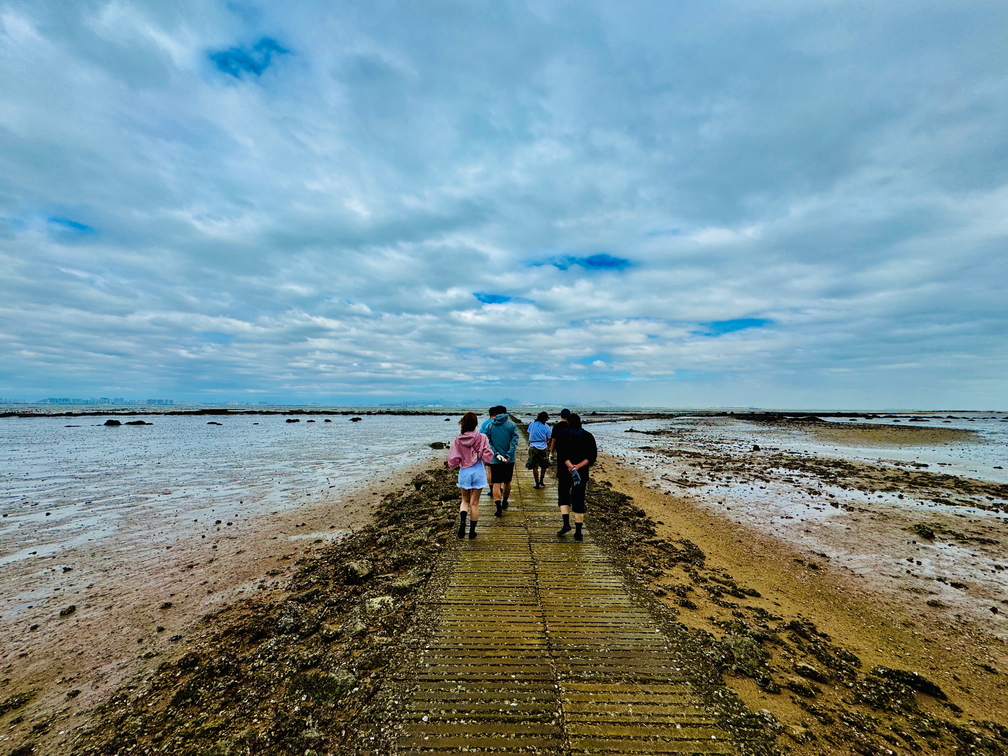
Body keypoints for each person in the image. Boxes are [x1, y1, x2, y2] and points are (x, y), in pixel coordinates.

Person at [447, 412, 495, 539]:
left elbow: (453, 459)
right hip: (478, 471)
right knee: (474, 503)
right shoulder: (482, 437)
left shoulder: (458, 439)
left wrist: (460, 461)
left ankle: (462, 522)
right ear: (475, 424)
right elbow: (488, 455)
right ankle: (472, 531)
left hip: (465, 471)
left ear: (463, 423)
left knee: (465, 500)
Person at [552, 413, 597, 541]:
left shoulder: (562, 434)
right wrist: (577, 467)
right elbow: (591, 456)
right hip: (581, 473)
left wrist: (570, 466)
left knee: (564, 496)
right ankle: (578, 532)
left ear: (568, 422)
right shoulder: (588, 436)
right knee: (579, 498)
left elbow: (561, 453)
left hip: (565, 471)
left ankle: (566, 524)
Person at [485, 405, 519, 517]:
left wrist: (497, 454)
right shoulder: (512, 425)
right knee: (507, 482)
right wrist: (509, 454)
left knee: (496, 483)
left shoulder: (490, 426)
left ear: (495, 413)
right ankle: (505, 501)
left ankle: (498, 508)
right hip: (509, 459)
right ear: (506, 413)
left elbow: (488, 443)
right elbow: (514, 441)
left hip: (495, 459)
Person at [526, 411, 552, 489]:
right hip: (543, 446)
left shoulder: (532, 424)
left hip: (533, 446)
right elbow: (549, 438)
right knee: (544, 465)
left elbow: (528, 433)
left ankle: (537, 483)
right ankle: (541, 480)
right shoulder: (547, 427)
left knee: (534, 466)